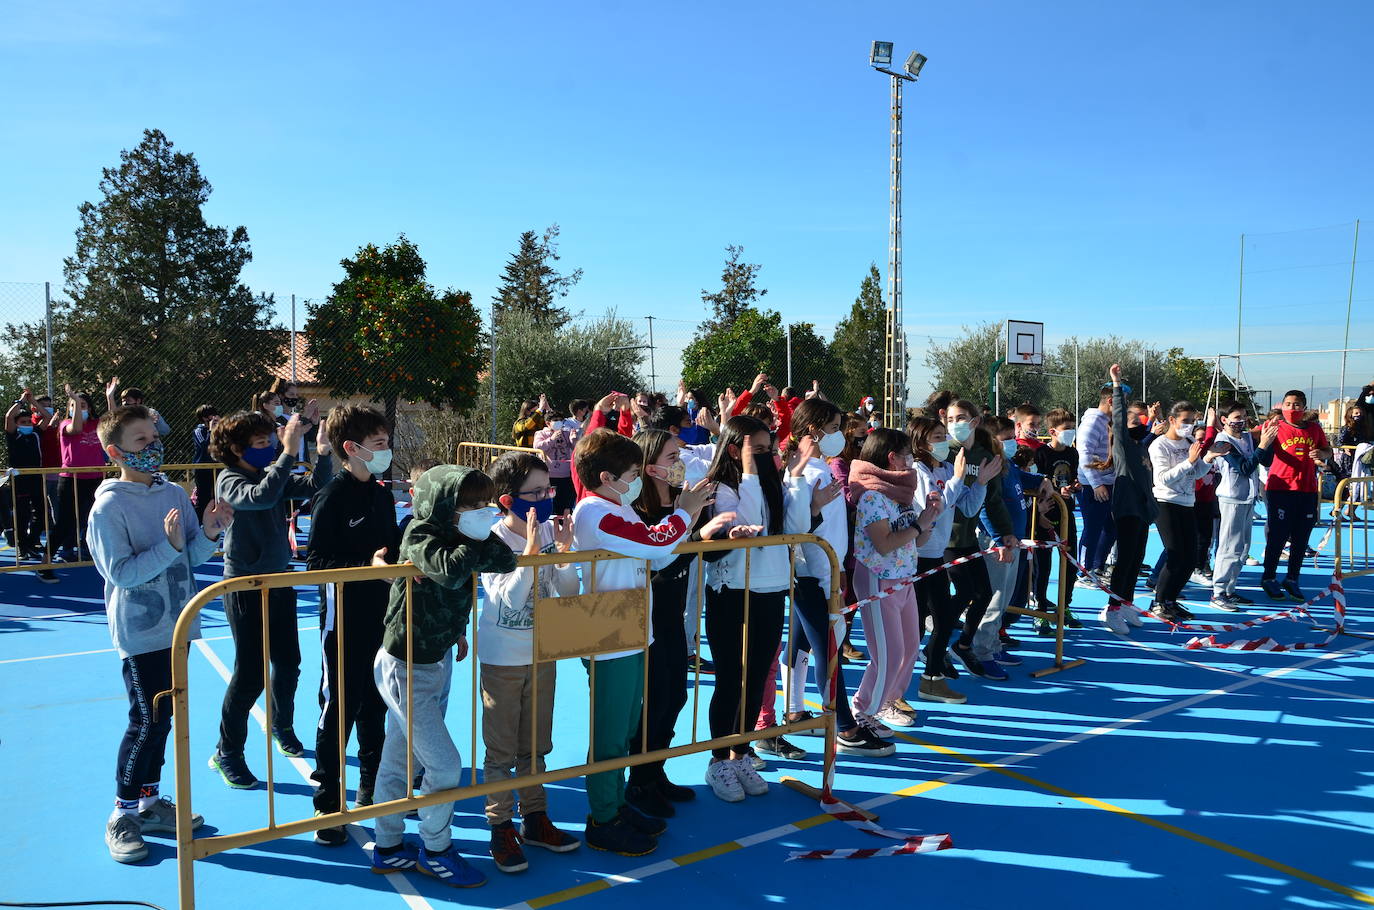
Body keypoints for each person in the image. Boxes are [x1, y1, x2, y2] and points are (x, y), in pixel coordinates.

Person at [87, 404, 233, 863]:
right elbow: (122, 574)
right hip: (141, 633)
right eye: (141, 442)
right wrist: (168, 547)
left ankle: (149, 802)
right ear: (116, 452)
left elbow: (189, 558)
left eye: (154, 437)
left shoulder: (173, 494)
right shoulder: (108, 507)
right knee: (146, 720)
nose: (154, 447)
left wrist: (209, 532)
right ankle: (122, 813)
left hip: (179, 626)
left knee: (164, 719)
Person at [366, 464, 515, 887]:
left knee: (400, 756)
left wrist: (457, 630)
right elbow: (449, 571)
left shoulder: (460, 537)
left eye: (485, 504)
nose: (483, 512)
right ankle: (435, 849)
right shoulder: (419, 534)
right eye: (471, 505)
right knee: (446, 767)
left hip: (437, 658)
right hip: (404, 664)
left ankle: (389, 846)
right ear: (443, 506)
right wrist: (473, 537)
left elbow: (505, 559)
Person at [572, 429, 713, 852]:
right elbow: (657, 542)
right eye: (632, 472)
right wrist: (684, 513)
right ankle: (603, 817)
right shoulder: (594, 512)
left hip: (632, 629)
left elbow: (662, 553)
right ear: (606, 476)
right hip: (606, 633)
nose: (637, 479)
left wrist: (686, 523)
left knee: (628, 726)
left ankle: (615, 804)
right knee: (611, 734)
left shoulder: (620, 506)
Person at [626, 429, 754, 816]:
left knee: (676, 698)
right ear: (650, 468)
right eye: (671, 456)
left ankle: (655, 771)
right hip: (646, 622)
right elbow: (662, 563)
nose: (679, 462)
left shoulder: (681, 505)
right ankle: (639, 781)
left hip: (674, 619)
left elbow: (698, 555)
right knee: (657, 701)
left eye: (679, 454)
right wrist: (695, 528)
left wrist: (724, 537)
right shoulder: (639, 513)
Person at [208, 405, 332, 789]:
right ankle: (227, 751)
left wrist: (323, 453)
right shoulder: (229, 480)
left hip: (279, 582)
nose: (269, 447)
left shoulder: (269, 474)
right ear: (235, 448)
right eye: (261, 443)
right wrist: (287, 453)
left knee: (289, 662)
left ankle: (283, 726)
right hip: (245, 586)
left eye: (269, 441)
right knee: (249, 675)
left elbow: (315, 487)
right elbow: (259, 498)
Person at [478, 452, 583, 873]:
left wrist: (565, 553)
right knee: (501, 748)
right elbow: (508, 599)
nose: (545, 498)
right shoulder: (492, 540)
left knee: (537, 743)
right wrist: (530, 551)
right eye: (535, 492)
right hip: (503, 657)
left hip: (542, 653)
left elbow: (567, 588)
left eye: (548, 489)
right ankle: (500, 825)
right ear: (508, 500)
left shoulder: (550, 535)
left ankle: (535, 817)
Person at [771, 399, 891, 758]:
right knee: (829, 648)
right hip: (813, 573)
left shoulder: (818, 468)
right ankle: (844, 726)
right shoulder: (805, 471)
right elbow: (795, 528)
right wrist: (814, 507)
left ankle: (793, 709)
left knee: (802, 643)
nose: (840, 434)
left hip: (826, 569)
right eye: (835, 426)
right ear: (814, 430)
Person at [306, 405, 400, 845]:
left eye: (386, 442)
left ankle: (371, 783)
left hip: (382, 616)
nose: (387, 451)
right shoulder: (331, 497)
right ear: (352, 449)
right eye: (379, 445)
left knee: (377, 701)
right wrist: (366, 566)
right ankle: (328, 803)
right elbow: (316, 563)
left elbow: (393, 549)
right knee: (338, 705)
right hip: (343, 621)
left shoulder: (382, 496)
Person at [701, 416, 807, 803]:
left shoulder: (773, 484)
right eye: (756, 450)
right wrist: (749, 474)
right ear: (734, 450)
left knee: (757, 673)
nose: (766, 457)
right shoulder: (723, 488)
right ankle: (718, 761)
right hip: (732, 591)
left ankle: (741, 753)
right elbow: (749, 524)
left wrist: (793, 479)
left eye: (769, 450)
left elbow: (788, 526)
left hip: (771, 588)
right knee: (730, 677)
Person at [848, 427, 942, 730]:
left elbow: (917, 541)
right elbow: (884, 543)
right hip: (878, 579)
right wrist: (919, 526)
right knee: (888, 653)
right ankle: (862, 709)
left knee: (910, 646)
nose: (911, 461)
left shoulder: (900, 496)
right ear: (893, 458)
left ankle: (887, 701)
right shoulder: (873, 497)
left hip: (903, 578)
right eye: (908, 455)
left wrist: (928, 517)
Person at [908, 416, 988, 705]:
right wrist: (956, 479)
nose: (944, 442)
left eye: (944, 436)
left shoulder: (944, 468)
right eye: (938, 437)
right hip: (916, 558)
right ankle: (896, 685)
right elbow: (934, 510)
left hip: (936, 557)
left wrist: (980, 482)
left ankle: (931, 680)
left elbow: (966, 506)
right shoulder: (916, 472)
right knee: (914, 626)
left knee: (943, 619)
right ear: (921, 442)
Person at [969, 418, 1047, 679]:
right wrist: (1000, 540)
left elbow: (1022, 477)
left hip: (1013, 539)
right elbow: (986, 507)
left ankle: (992, 644)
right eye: (1006, 437)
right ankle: (981, 651)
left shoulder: (1006, 462)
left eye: (1012, 436)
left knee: (1005, 597)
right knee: (995, 598)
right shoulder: (988, 466)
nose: (1012, 442)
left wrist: (1042, 480)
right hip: (998, 541)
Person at [944, 399, 1017, 681]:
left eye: (960, 418)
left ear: (974, 422)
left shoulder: (985, 456)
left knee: (984, 594)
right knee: (957, 595)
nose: (954, 424)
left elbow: (994, 501)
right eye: (950, 419)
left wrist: (1005, 532)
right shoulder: (945, 453)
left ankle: (963, 645)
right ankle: (934, 650)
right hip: (942, 540)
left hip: (967, 539)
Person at [1146, 401, 1217, 623]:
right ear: (1172, 421)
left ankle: (1171, 600)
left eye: (1193, 421)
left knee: (1190, 557)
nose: (1189, 426)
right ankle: (1158, 602)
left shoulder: (1189, 442)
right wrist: (1190, 460)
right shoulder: (1159, 445)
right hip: (1166, 502)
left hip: (1188, 502)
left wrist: (1209, 458)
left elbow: (1196, 473)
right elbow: (1162, 479)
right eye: (1185, 421)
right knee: (1175, 553)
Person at [1259, 390, 1332, 601]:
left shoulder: (1314, 429)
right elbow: (1259, 451)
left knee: (1301, 538)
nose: (1293, 408)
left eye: (1297, 404)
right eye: (1289, 404)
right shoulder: (1275, 426)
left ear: (1304, 407)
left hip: (1307, 489)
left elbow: (1327, 450)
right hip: (1280, 488)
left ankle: (1292, 579)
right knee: (1278, 536)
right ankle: (1268, 577)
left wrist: (1322, 454)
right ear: (1282, 406)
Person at [1099, 364, 1154, 634]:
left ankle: (1126, 602)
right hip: (1127, 509)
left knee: (1136, 558)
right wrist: (1117, 385)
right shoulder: (1122, 443)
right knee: (1125, 561)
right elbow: (1120, 419)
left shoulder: (1141, 445)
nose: (1141, 423)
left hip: (1143, 510)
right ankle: (1112, 610)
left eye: (1143, 420)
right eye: (1137, 420)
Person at [1211, 404, 1274, 610]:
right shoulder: (1223, 442)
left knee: (1243, 547)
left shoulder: (1247, 438)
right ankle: (1218, 592)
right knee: (1229, 546)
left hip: (1248, 499)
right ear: (1224, 420)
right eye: (1237, 416)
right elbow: (1245, 468)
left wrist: (1268, 441)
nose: (1242, 420)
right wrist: (1262, 445)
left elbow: (1265, 459)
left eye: (1244, 416)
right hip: (1232, 499)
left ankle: (1230, 588)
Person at [1031, 409, 1081, 633]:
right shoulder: (1041, 454)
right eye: (1066, 429)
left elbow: (1071, 478)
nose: (1071, 432)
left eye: (1073, 427)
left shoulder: (1073, 454)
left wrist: (1073, 487)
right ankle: (1040, 609)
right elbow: (1036, 486)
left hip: (1066, 513)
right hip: (1045, 515)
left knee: (1070, 562)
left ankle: (1065, 606)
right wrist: (1040, 512)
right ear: (1052, 431)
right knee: (1043, 565)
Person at [47, 387, 107, 572]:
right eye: (74, 405)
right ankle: (45, 563)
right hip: (71, 480)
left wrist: (110, 397)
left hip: (95, 478)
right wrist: (74, 400)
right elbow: (77, 428)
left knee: (95, 518)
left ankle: (95, 554)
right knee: (64, 523)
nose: (79, 408)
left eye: (83, 405)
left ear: (90, 408)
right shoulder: (65, 424)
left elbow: (113, 422)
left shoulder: (96, 424)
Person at [1076, 385, 1117, 582]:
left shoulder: (1109, 422)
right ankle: (1083, 572)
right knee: (1092, 529)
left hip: (1108, 482)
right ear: (1110, 401)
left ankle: (1097, 566)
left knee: (1111, 528)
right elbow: (1083, 454)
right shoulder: (1092, 422)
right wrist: (1096, 484)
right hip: (1093, 486)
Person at [5, 391, 45, 567]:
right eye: (23, 422)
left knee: (41, 513)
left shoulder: (36, 433)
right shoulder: (14, 434)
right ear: (17, 424)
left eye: (29, 421)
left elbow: (48, 417)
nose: (27, 424)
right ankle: (21, 546)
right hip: (19, 479)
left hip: (36, 477)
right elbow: (8, 416)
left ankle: (30, 542)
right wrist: (21, 401)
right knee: (22, 515)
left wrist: (34, 402)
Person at [532, 412, 577, 514]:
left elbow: (575, 447)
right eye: (555, 420)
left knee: (566, 504)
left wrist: (574, 439)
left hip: (566, 475)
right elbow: (537, 447)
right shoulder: (541, 433)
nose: (559, 422)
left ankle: (565, 524)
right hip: (550, 475)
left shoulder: (566, 433)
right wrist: (551, 439)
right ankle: (551, 524)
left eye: (560, 420)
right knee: (551, 505)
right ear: (548, 423)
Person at [191, 405, 220, 522]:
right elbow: (204, 446)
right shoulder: (199, 431)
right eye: (211, 416)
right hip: (202, 468)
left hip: (218, 467)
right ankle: (199, 522)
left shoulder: (221, 429)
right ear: (204, 418)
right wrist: (211, 431)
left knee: (220, 496)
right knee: (204, 498)